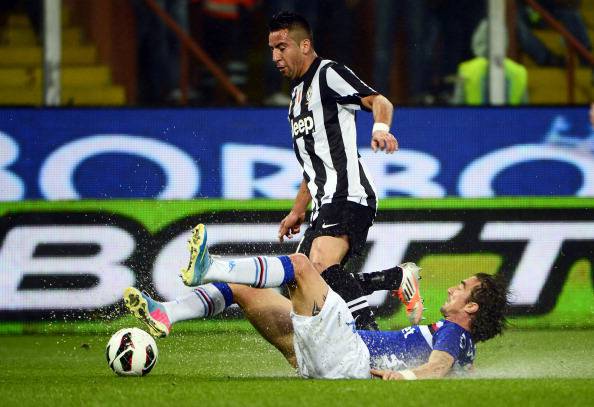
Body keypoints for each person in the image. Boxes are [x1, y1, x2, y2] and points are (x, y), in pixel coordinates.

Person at [124, 223, 509, 380]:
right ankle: (168, 313)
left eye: (462, 287)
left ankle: (209, 266)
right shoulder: (459, 344)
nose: (453, 288)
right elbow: (454, 370)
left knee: (300, 266)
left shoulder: (455, 334)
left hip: (347, 352)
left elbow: (438, 368)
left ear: (471, 307)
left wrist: (403, 377)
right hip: (327, 358)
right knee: (244, 289)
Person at [267, 11, 401, 331]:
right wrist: (297, 210)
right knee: (299, 284)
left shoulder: (328, 73)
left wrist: (380, 129)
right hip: (323, 202)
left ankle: (375, 343)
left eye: (282, 47)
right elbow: (312, 163)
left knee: (320, 263)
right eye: (272, 49)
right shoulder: (295, 97)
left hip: (348, 193)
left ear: (304, 45)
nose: (275, 57)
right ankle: (393, 279)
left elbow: (380, 101)